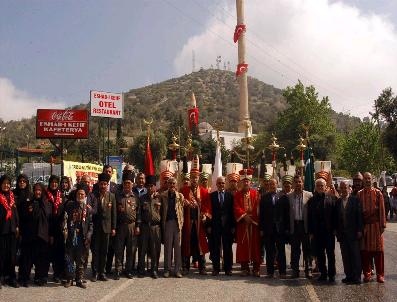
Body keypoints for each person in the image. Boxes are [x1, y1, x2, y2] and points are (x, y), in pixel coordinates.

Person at [180, 156, 211, 275]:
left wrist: (204, 214)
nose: (194, 179)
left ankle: (202, 267)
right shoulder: (183, 190)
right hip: (188, 222)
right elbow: (179, 202)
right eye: (192, 177)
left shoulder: (203, 191)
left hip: (199, 223)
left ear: (198, 178)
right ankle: (185, 266)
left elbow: (207, 206)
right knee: (187, 244)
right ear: (190, 178)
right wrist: (184, 203)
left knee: (200, 245)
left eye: (196, 177)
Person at [18, 182, 52, 287]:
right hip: (30, 236)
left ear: (42, 191)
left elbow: (50, 221)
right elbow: (24, 219)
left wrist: (50, 235)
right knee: (27, 258)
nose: (38, 192)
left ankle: (40, 277)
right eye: (36, 190)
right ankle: (24, 278)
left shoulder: (47, 204)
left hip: (42, 236)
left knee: (41, 259)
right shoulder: (29, 203)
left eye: (40, 190)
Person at [62, 184, 93, 288]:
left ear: (85, 196)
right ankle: (70, 279)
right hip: (71, 237)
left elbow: (91, 225)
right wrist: (65, 232)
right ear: (76, 194)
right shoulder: (70, 205)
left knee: (81, 260)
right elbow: (65, 220)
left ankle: (79, 279)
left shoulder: (87, 209)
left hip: (82, 238)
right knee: (69, 259)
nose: (80, 196)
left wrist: (88, 235)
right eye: (79, 194)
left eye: (82, 194)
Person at [357, 172, 386, 283]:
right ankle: (367, 274)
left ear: (372, 179)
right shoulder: (359, 194)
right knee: (365, 252)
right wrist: (360, 227)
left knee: (379, 252)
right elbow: (358, 213)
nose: (368, 180)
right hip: (365, 227)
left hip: (376, 226)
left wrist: (382, 225)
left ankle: (380, 274)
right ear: (363, 180)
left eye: (369, 178)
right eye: (366, 179)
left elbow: (382, 210)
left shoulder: (378, 193)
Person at [308, 177, 338, 282]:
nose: (320, 187)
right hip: (317, 232)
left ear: (325, 187)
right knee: (320, 254)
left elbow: (336, 216)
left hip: (329, 231)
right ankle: (323, 274)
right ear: (315, 187)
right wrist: (311, 232)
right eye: (318, 185)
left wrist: (335, 229)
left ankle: (332, 274)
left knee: (330, 254)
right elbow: (309, 217)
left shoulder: (332, 198)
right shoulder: (311, 200)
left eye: (322, 185)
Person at [260, 178, 290, 278]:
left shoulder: (283, 196)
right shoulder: (264, 197)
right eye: (270, 184)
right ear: (268, 185)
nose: (272, 185)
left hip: (280, 229)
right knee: (269, 251)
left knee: (281, 251)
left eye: (274, 184)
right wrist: (261, 229)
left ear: (277, 184)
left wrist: (287, 228)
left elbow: (287, 214)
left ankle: (282, 272)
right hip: (268, 229)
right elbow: (262, 215)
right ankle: (270, 272)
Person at [234, 169, 261, 277]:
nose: (246, 183)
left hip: (254, 224)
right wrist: (244, 216)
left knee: (255, 246)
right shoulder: (237, 195)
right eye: (244, 181)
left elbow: (258, 208)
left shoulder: (256, 194)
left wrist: (252, 219)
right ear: (241, 182)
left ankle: (256, 268)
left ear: (250, 182)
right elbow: (236, 207)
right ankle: (244, 268)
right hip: (242, 224)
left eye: (247, 181)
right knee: (243, 245)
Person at [114, 173, 140, 280]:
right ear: (123, 184)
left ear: (132, 185)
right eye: (125, 183)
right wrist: (114, 227)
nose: (127, 186)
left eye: (129, 183)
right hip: (120, 226)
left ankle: (128, 270)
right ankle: (118, 270)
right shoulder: (117, 196)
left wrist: (138, 226)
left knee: (131, 250)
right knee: (119, 250)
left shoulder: (136, 198)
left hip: (132, 226)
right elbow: (114, 213)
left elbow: (139, 214)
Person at [336, 181, 363, 285]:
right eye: (341, 188)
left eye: (345, 187)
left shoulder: (355, 200)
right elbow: (336, 218)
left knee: (355, 255)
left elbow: (359, 216)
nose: (343, 190)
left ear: (349, 188)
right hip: (342, 234)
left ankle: (357, 277)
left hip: (353, 233)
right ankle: (348, 276)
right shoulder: (338, 202)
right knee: (345, 256)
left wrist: (359, 230)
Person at [91, 173, 116, 282]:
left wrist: (113, 228)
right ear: (99, 184)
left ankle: (102, 272)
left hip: (107, 228)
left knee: (104, 251)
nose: (103, 186)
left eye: (105, 184)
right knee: (96, 251)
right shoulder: (94, 195)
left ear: (107, 185)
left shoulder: (112, 196)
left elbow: (114, 214)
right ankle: (95, 272)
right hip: (96, 228)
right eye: (101, 184)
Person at [208, 176, 235, 276]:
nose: (221, 185)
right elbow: (209, 212)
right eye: (219, 183)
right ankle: (216, 269)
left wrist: (233, 226)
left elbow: (232, 212)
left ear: (225, 183)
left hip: (227, 226)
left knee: (227, 248)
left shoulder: (230, 196)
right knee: (215, 248)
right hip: (215, 226)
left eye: (223, 183)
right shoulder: (212, 196)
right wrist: (209, 225)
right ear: (216, 184)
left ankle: (228, 268)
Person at [288, 175, 313, 279]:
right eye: (296, 182)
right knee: (295, 249)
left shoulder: (309, 195)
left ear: (302, 183)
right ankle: (295, 270)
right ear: (293, 184)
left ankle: (308, 270)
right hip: (294, 225)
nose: (298, 184)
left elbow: (312, 213)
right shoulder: (289, 196)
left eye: (299, 182)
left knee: (307, 249)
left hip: (305, 225)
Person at [137, 175, 161, 278]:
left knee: (155, 249)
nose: (150, 188)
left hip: (156, 227)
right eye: (148, 186)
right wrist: (138, 225)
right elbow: (138, 213)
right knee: (143, 248)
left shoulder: (159, 198)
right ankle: (141, 269)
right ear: (146, 187)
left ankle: (154, 270)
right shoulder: (142, 198)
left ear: (155, 187)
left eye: (152, 186)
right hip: (145, 227)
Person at [160, 177, 185, 278]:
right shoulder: (163, 196)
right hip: (168, 223)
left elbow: (182, 209)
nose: (172, 185)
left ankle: (177, 270)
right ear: (167, 184)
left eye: (173, 183)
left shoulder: (180, 196)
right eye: (170, 183)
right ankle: (167, 269)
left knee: (178, 248)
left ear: (176, 185)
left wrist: (181, 222)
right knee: (168, 248)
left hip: (177, 223)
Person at [0, 175, 19, 288]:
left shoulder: (13, 197)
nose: (6, 185)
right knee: (1, 255)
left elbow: (16, 214)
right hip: (1, 231)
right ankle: (1, 276)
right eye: (4, 183)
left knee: (11, 256)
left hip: (12, 230)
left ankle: (11, 277)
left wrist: (17, 226)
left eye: (8, 183)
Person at [46, 175, 65, 283]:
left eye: (56, 182)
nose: (54, 184)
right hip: (47, 229)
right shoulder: (45, 195)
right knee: (48, 253)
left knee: (59, 253)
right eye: (52, 182)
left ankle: (58, 274)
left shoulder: (60, 195)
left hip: (59, 229)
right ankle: (43, 273)